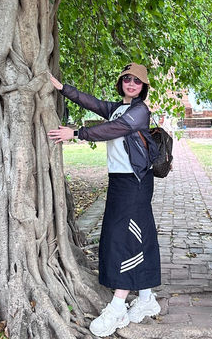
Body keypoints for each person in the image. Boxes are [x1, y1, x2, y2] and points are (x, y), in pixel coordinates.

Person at [48, 63, 162, 337]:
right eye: (127, 79)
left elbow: (114, 130)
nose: (131, 84)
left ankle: (118, 305)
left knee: (123, 238)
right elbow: (95, 103)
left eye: (137, 81)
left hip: (135, 182)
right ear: (121, 82)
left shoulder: (139, 112)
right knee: (137, 235)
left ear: (144, 86)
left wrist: (75, 133)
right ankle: (146, 299)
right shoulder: (119, 107)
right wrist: (64, 89)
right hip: (121, 181)